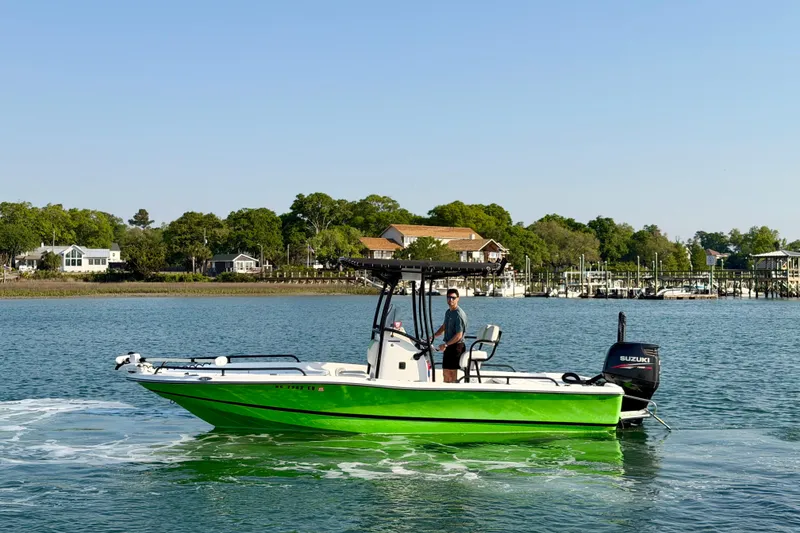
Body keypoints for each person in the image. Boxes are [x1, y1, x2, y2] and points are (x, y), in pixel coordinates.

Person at [430, 288, 468, 383]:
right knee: (445, 373)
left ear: (458, 299)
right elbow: (444, 327)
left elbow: (459, 335)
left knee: (451, 373)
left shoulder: (459, 314)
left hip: (456, 346)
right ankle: (445, 392)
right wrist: (433, 336)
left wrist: (446, 345)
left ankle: (453, 394)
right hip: (449, 346)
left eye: (453, 298)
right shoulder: (448, 312)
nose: (450, 300)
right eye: (448, 297)